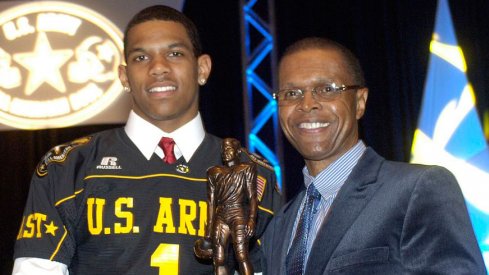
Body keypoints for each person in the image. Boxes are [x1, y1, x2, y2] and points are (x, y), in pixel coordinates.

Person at [12, 5, 281, 274]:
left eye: (174, 54)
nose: (159, 68)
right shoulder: (69, 167)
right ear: (123, 76)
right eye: (141, 58)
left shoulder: (257, 174)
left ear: (202, 69)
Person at [261, 37, 487, 274]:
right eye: (291, 93)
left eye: (327, 89)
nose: (306, 104)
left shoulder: (417, 190)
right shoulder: (280, 224)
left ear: (360, 102)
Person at [195, 138, 258, 275]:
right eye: (223, 150)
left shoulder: (246, 168)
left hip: (238, 213)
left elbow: (253, 197)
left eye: (228, 149)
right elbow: (211, 203)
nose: (225, 153)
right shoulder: (214, 172)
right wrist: (208, 231)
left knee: (242, 256)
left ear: (238, 151)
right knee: (219, 259)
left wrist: (252, 219)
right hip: (221, 215)